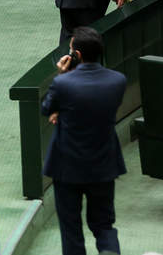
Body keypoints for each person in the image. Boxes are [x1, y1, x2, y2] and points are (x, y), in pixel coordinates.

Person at [42, 27, 127, 255]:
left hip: (67, 168)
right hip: (103, 166)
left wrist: (62, 75)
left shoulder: (63, 84)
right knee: (104, 225)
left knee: (71, 229)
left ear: (76, 55)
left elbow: (47, 108)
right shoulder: (118, 81)